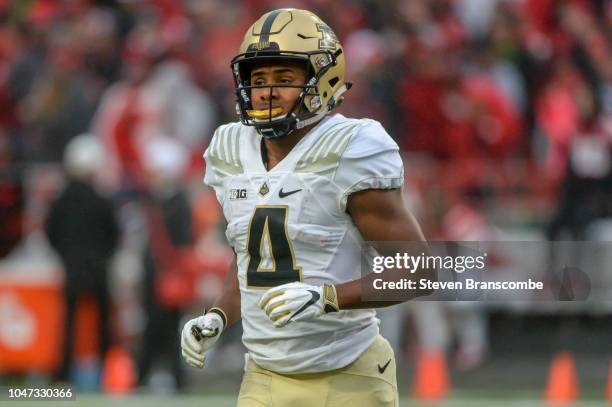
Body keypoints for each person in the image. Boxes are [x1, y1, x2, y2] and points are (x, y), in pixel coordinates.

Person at [180, 9, 430, 406]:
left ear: (322, 80)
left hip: (348, 374)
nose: (266, 91)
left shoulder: (350, 149)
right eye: (257, 79)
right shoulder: (230, 150)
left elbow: (418, 271)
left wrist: (328, 296)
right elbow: (250, 258)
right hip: (263, 375)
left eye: (284, 78)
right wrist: (219, 315)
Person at [46, 134, 119, 382]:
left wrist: (66, 257)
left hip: (72, 269)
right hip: (98, 269)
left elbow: (51, 234)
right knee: (102, 325)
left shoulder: (61, 202)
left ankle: (63, 373)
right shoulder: (102, 201)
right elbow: (114, 236)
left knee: (68, 325)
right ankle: (104, 373)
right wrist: (102, 257)